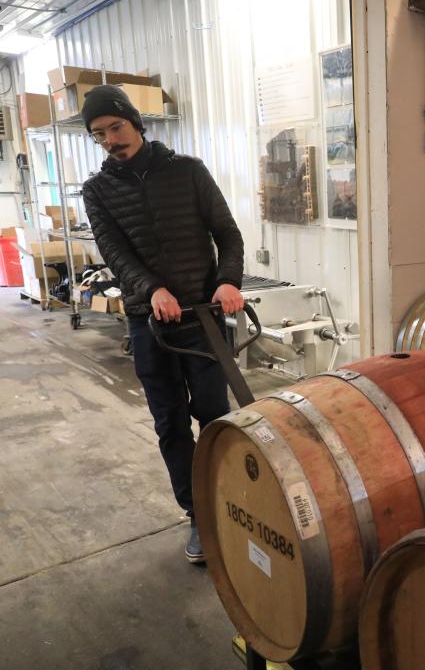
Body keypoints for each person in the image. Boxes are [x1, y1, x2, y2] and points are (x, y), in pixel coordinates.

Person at [81, 85, 244, 564]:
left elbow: (227, 234)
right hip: (149, 323)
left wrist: (228, 281)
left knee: (216, 415)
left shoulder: (188, 171)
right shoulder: (97, 191)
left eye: (115, 127)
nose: (110, 139)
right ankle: (198, 514)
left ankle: (232, 503)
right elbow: (115, 252)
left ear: (135, 122)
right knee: (171, 422)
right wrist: (152, 290)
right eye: (99, 134)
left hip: (205, 318)